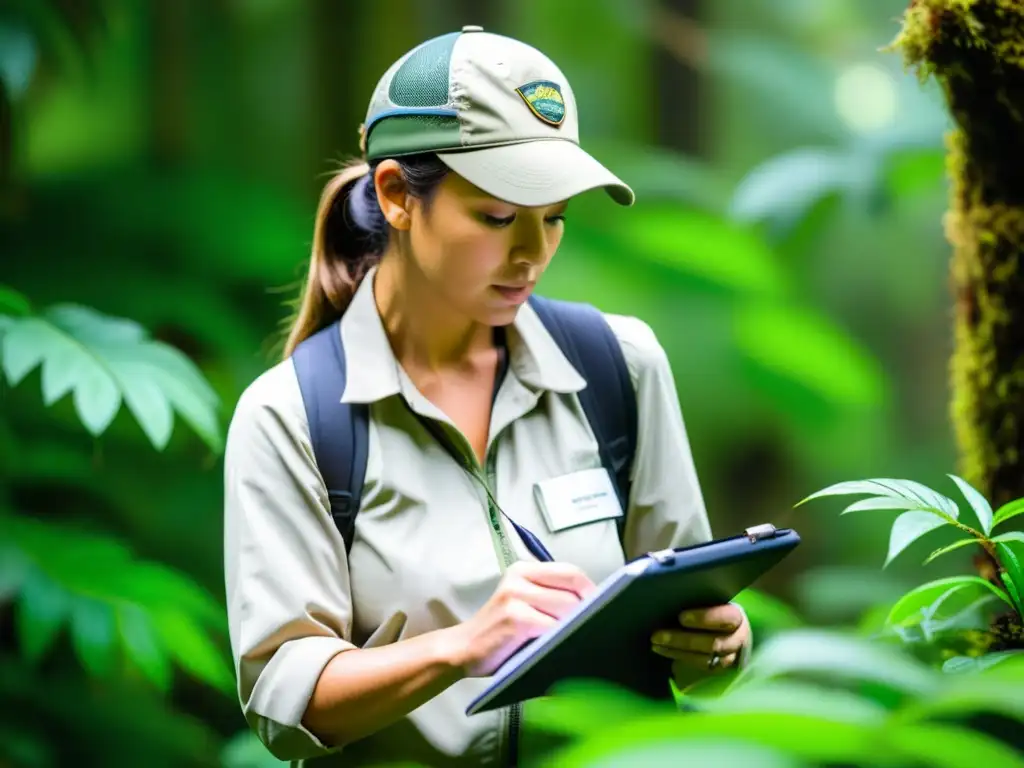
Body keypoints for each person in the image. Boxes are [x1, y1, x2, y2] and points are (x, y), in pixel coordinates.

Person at [223, 25, 751, 768]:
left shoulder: (618, 366)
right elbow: (285, 699)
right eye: (499, 217)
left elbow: (689, 623)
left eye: (556, 217)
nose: (533, 253)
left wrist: (723, 641)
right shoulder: (292, 417)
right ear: (398, 196)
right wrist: (462, 646)